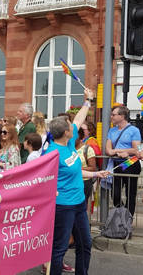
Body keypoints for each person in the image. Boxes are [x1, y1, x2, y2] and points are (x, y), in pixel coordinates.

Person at [47, 88, 108, 275]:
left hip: (79, 202)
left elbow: (79, 119)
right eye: (70, 126)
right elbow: (42, 178)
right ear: (65, 132)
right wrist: (50, 191)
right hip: (63, 206)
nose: (74, 127)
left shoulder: (68, 140)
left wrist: (88, 101)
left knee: (85, 243)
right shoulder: (51, 153)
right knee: (60, 248)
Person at [105, 105, 142, 216]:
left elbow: (137, 149)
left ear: (122, 116)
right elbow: (108, 151)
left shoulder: (134, 130)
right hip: (118, 163)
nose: (111, 117)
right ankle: (122, 213)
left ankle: (128, 218)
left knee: (130, 193)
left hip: (130, 162)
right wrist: (121, 151)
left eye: (113, 115)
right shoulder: (112, 130)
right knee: (115, 193)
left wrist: (120, 151)